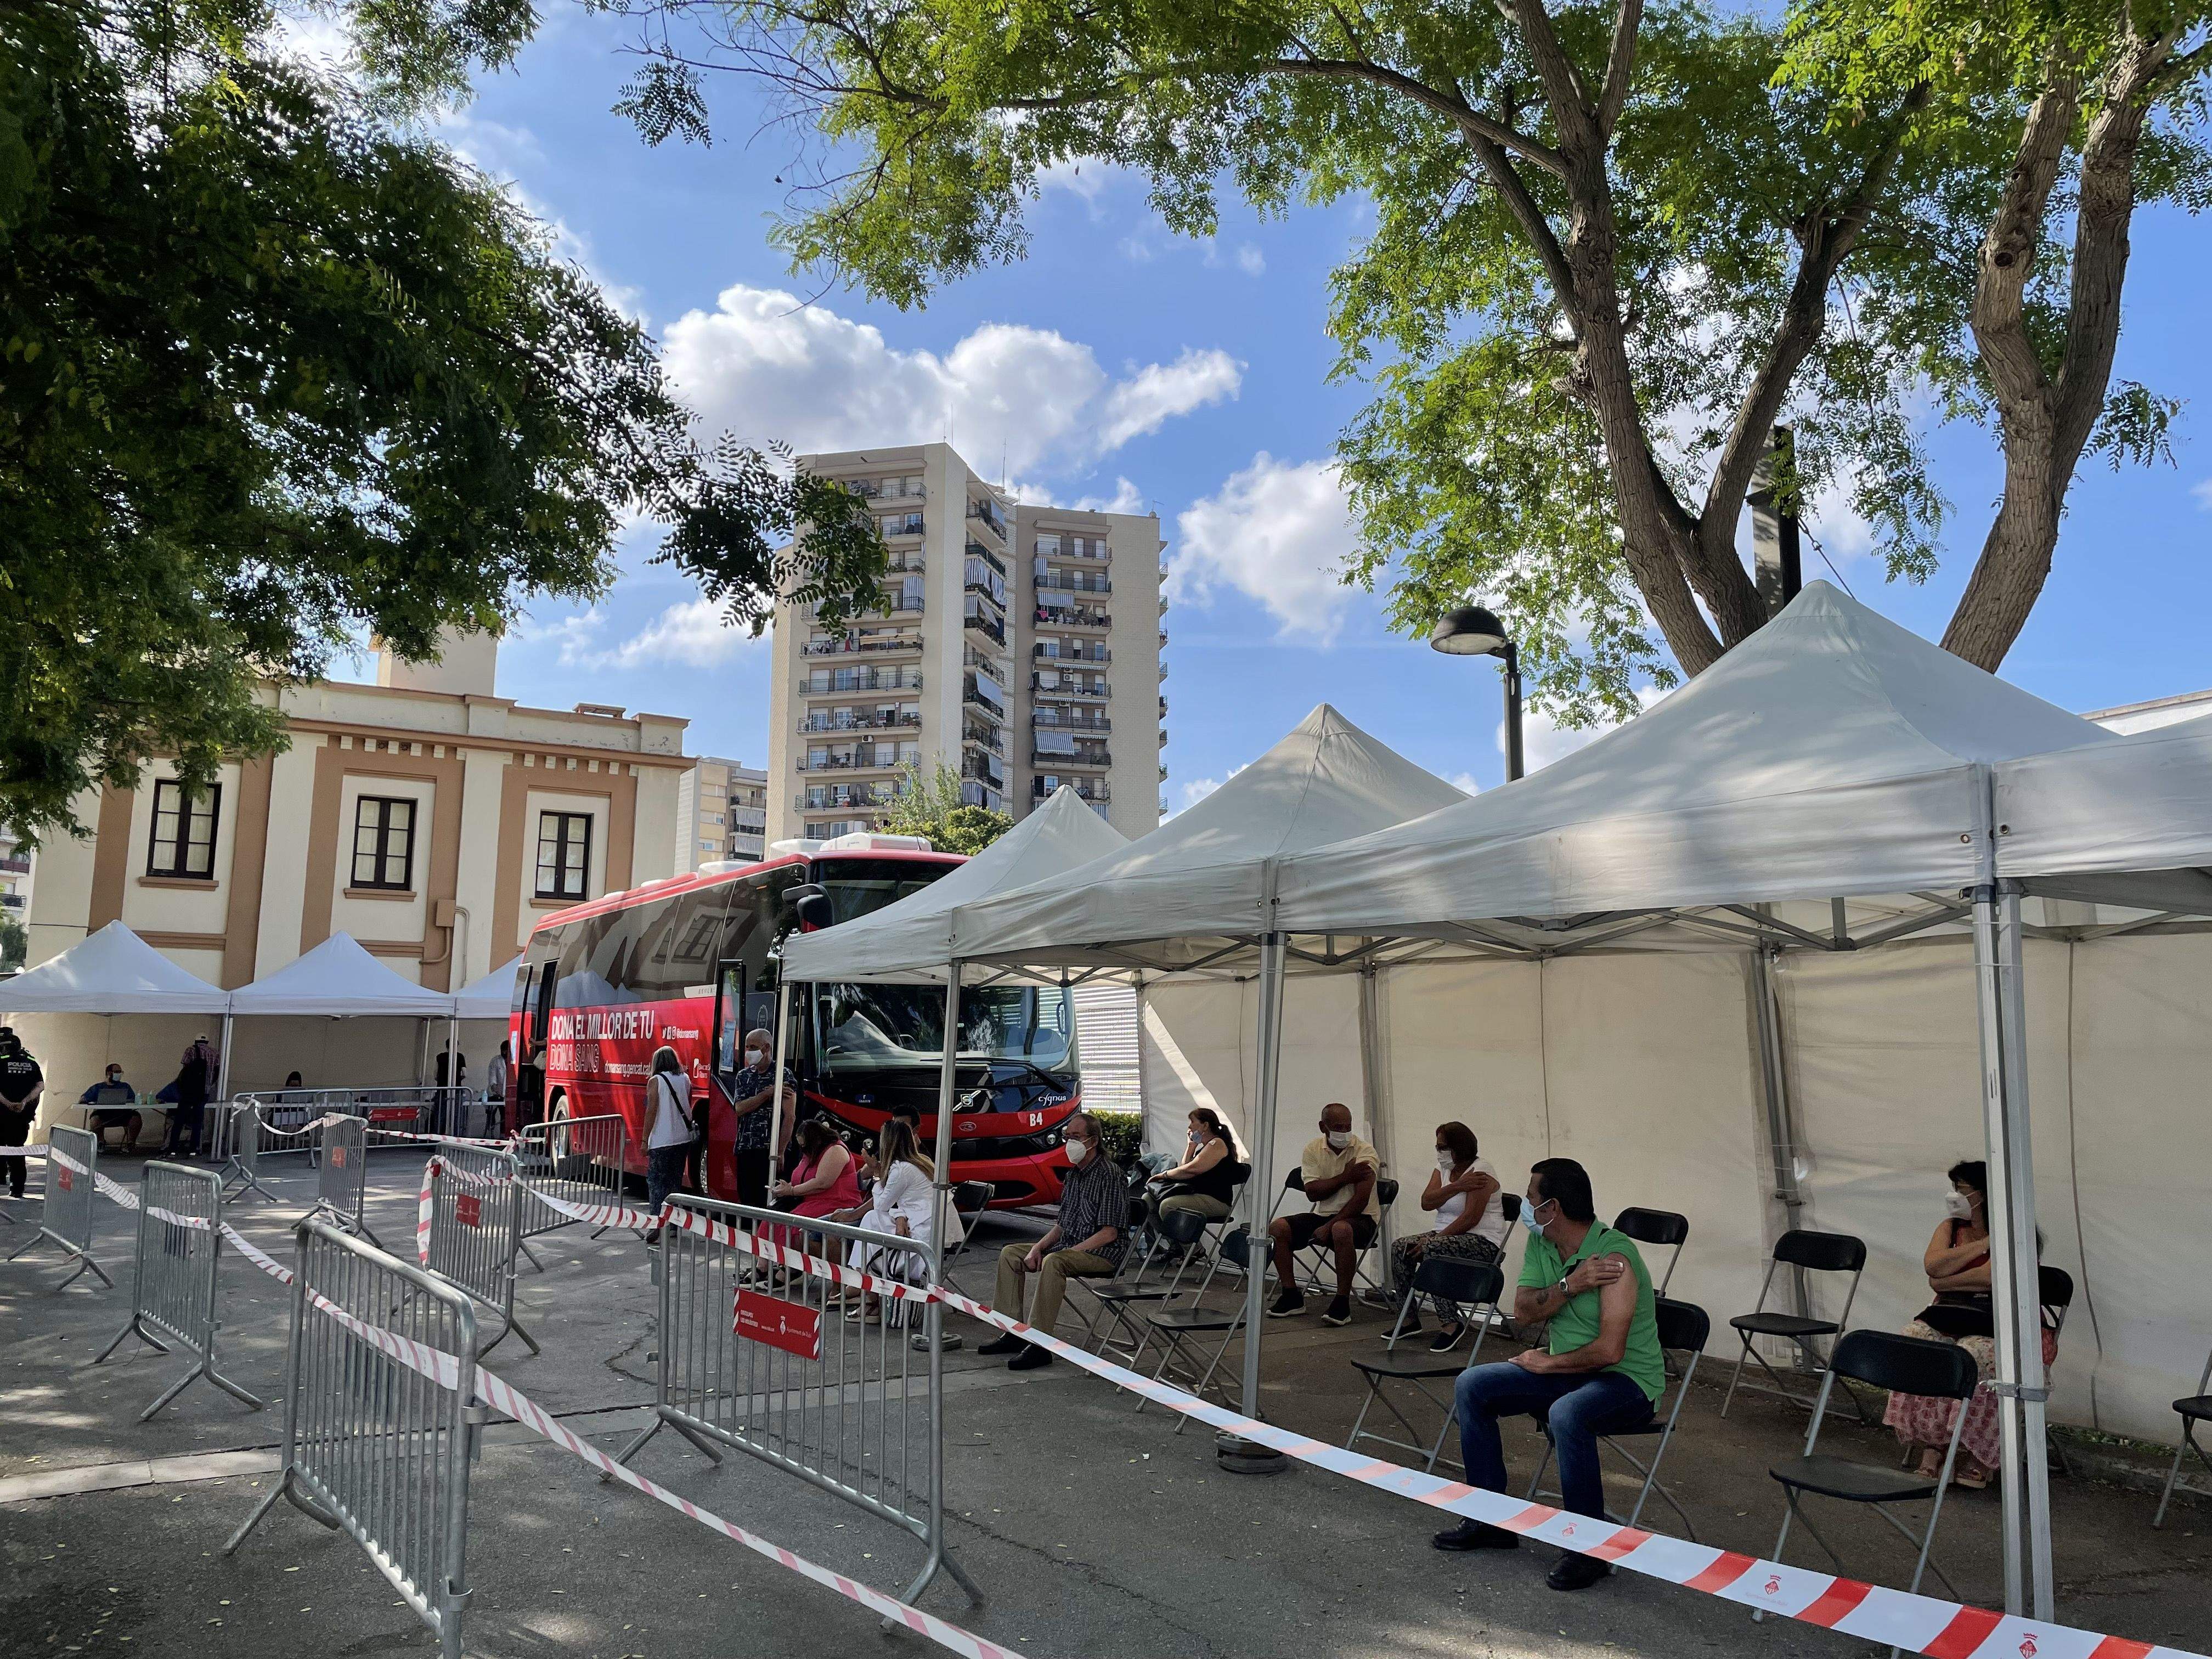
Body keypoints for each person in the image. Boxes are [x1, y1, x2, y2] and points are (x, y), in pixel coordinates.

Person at [1433, 1157, 1667, 1592]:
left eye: (1532, 1197)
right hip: (1566, 1369)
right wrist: (1570, 1285)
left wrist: (1550, 1362)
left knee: (1567, 1413)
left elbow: (1610, 1351)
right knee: (1473, 1385)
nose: (1525, 1205)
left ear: (1552, 1207)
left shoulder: (1616, 1256)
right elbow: (1522, 1313)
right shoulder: (1543, 1245)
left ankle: (1587, 1548)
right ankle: (1492, 1521)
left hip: (1627, 1382)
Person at [1882, 1159, 2056, 1489]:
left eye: (1961, 1190)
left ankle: (1982, 1456)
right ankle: (1933, 1447)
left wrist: (1946, 1281)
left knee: (1974, 1356)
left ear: (1985, 1194)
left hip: (2000, 1321)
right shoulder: (1951, 1227)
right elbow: (1933, 1265)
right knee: (1915, 1341)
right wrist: (1984, 1246)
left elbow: (1990, 1278)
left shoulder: (2016, 1232)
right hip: (1951, 1314)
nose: (1954, 1196)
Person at [979, 1111, 1127, 1370]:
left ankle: (1040, 1344)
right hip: (1069, 1245)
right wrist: (1037, 1248)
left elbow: (1109, 1233)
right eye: (1067, 1136)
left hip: (1103, 1253)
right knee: (1011, 1253)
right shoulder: (1073, 1176)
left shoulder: (1110, 1175)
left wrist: (1068, 1252)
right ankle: (1012, 1331)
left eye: (1076, 1137)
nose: (1070, 1142)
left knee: (1056, 1261)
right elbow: (1062, 1225)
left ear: (1093, 1141)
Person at [1392, 1121, 1509, 1353]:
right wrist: (1457, 1187)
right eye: (1437, 1147)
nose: (1439, 1152)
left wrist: (1432, 1241)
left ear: (1459, 1147)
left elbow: (1470, 1219)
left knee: (1433, 1250)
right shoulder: (1443, 1168)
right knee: (1400, 1248)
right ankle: (1409, 1318)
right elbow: (1427, 1203)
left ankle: (1450, 1322)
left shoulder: (1481, 1172)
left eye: (1443, 1147)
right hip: (1445, 1235)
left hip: (1482, 1242)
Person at [837, 1119, 962, 1322]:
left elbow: (882, 1204)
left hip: (927, 1235)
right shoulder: (920, 1162)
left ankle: (867, 1287)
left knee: (871, 1220)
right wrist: (900, 1216)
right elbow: (910, 1203)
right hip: (935, 1228)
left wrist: (877, 1174)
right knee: (872, 1223)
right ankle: (868, 1288)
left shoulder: (901, 1169)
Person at [1267, 1102, 1379, 1327]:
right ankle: (1291, 1295)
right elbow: (1312, 1193)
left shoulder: (1364, 1151)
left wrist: (1330, 1225)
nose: (1344, 1133)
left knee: (1340, 1229)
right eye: (1338, 1127)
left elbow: (1360, 1201)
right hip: (1325, 1215)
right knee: (1278, 1227)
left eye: (1348, 1127)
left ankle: (1342, 1301)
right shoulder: (1313, 1149)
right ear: (1323, 1127)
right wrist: (1345, 1178)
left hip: (1362, 1219)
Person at [767, 1118, 862, 1260]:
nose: (802, 1149)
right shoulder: (812, 1153)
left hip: (836, 1202)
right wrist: (788, 1187)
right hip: (812, 1200)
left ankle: (795, 1267)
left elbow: (822, 1183)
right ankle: (765, 1264)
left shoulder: (836, 1150)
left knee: (795, 1225)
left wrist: (792, 1191)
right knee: (772, 1218)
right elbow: (802, 1177)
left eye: (804, 1145)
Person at [727, 1029, 796, 1208]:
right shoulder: (744, 1076)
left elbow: (790, 1117)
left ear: (766, 1048)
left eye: (753, 1047)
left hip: (770, 1150)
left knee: (770, 1201)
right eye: (747, 1047)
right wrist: (768, 1093)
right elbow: (740, 1108)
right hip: (746, 1148)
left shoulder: (783, 1075)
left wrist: (780, 1151)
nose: (749, 1051)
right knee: (748, 1200)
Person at [1151, 1108, 1243, 1226]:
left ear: (1205, 1126)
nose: (1190, 1126)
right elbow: (1184, 1169)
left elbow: (1191, 1170)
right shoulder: (1204, 1148)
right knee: (1149, 1200)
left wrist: (1164, 1175)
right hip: (1197, 1195)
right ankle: (1172, 1240)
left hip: (1217, 1201)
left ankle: (1184, 1244)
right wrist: (1191, 1146)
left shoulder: (1217, 1144)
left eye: (1193, 1122)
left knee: (1168, 1206)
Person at [641, 1046, 693, 1248]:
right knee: (674, 1185)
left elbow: (652, 1110)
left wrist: (645, 1140)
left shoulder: (656, 1081)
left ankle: (656, 1224)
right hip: (682, 1139)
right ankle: (673, 1225)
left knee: (656, 1184)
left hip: (662, 1140)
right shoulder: (685, 1080)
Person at [0, 1028, 43, 1199]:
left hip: (2, 1113)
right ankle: (17, 1188)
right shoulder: (31, 1061)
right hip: (21, 1115)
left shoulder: (1, 1061)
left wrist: (8, 1104)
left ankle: (1, 1178)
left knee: (1, 1147)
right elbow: (40, 1086)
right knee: (17, 1151)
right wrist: (24, 1102)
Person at [166, 1032, 218, 1158]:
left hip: (189, 1092)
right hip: (204, 1092)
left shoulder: (191, 1050)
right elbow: (217, 1071)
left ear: (195, 1041)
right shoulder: (214, 1053)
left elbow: (185, 1066)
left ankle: (172, 1149)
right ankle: (194, 1149)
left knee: (179, 1120)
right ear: (207, 1042)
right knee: (198, 1122)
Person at [78, 1064, 144, 1152]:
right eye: (117, 1072)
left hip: (123, 1115)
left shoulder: (125, 1086)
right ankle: (100, 1143)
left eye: (121, 1072)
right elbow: (84, 1098)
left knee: (136, 1118)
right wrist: (84, 1099)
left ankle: (131, 1143)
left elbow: (133, 1099)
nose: (120, 1074)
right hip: (103, 1115)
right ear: (109, 1073)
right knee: (95, 1119)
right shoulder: (98, 1087)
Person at [485, 1041, 511, 1140]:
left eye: (506, 1051)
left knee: (505, 1115)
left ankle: (503, 1137)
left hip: (507, 1094)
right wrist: (500, 1093)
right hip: (495, 1093)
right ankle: (491, 1136)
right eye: (503, 1051)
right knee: (492, 1114)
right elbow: (493, 1082)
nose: (504, 1053)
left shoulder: (513, 1061)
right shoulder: (495, 1061)